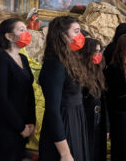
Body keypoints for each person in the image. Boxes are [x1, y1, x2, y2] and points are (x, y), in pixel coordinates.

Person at [0, 18, 35, 161]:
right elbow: (0, 98)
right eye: (21, 30)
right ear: (9, 36)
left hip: (22, 124)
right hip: (4, 126)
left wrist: (31, 122)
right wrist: (20, 127)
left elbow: (29, 92)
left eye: (26, 29)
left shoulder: (23, 58)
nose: (26, 33)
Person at [39, 16, 92, 161]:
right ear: (63, 36)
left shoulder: (68, 58)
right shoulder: (55, 64)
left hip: (75, 118)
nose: (80, 36)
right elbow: (53, 110)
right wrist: (64, 153)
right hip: (64, 124)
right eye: (76, 32)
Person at [79, 38, 108, 161]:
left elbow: (104, 100)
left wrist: (107, 126)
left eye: (99, 51)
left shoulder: (99, 72)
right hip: (86, 118)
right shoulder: (80, 73)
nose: (98, 55)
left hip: (99, 118)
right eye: (95, 52)